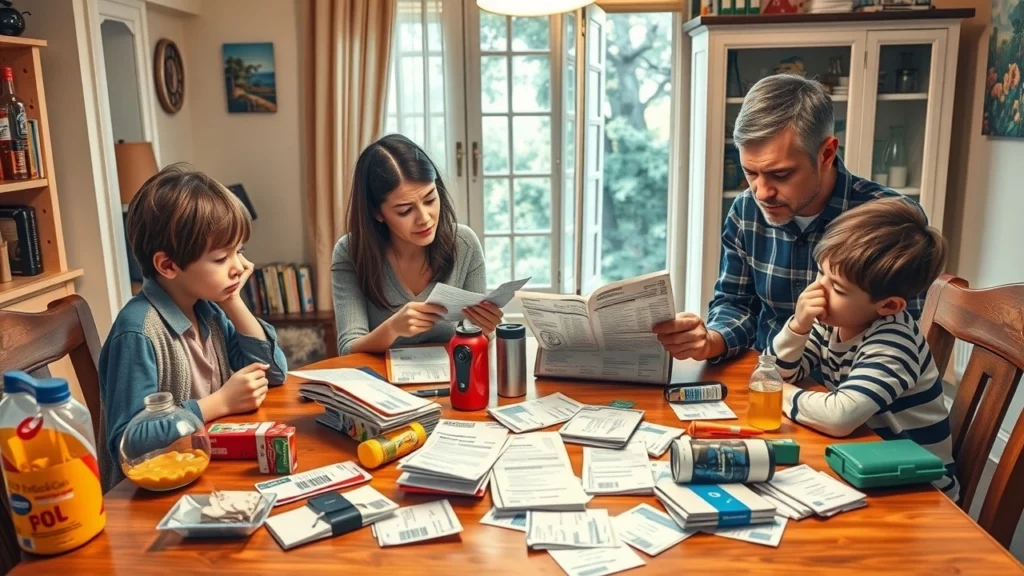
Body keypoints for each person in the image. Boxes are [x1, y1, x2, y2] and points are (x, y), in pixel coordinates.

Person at [653, 74, 925, 362]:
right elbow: (736, 303)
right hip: (766, 378)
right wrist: (711, 341)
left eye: (780, 175)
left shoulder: (892, 221)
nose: (761, 193)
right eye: (751, 172)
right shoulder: (746, 211)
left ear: (827, 153)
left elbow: (902, 332)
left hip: (854, 389)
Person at [98, 164, 288, 490]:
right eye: (221, 259)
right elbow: (128, 441)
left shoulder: (209, 310)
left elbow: (272, 374)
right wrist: (217, 404)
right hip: (153, 495)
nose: (241, 267)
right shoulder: (138, 332)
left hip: (204, 472)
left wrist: (233, 302)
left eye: (239, 252)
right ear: (168, 265)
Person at [766, 198, 957, 498]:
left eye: (838, 288)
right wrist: (797, 326)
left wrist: (780, 393)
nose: (819, 291)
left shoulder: (894, 343)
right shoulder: (832, 319)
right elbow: (777, 372)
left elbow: (839, 417)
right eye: (820, 273)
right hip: (864, 462)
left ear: (888, 306)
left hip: (918, 489)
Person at [332, 134, 502, 355]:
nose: (424, 218)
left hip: (453, 380)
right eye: (405, 210)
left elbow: (476, 338)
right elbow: (348, 349)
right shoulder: (350, 252)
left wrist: (487, 329)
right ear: (377, 213)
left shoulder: (465, 244)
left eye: (430, 199)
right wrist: (393, 328)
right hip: (379, 385)